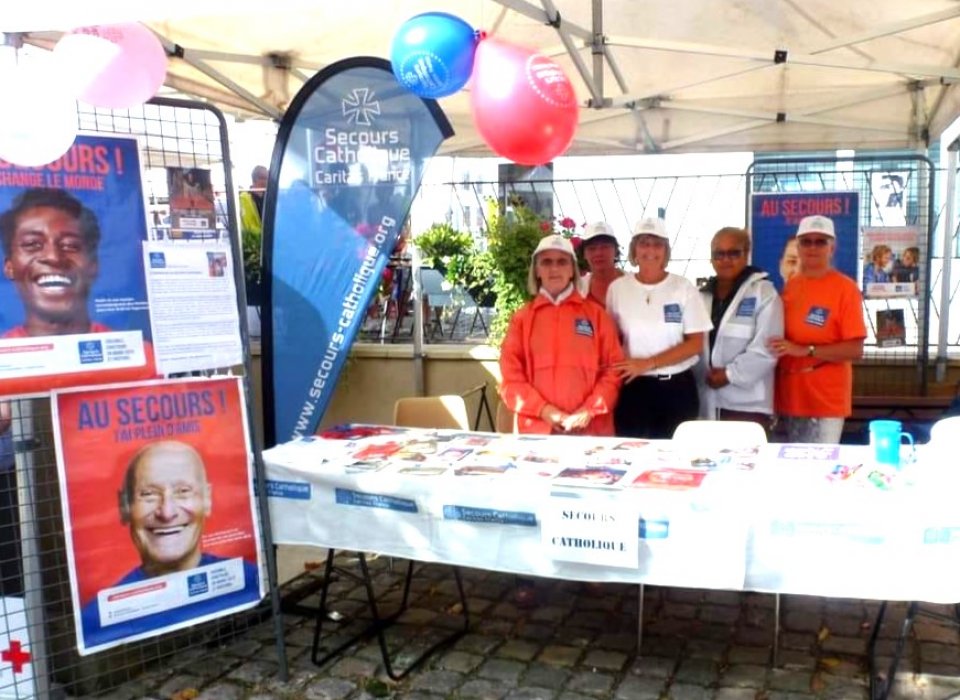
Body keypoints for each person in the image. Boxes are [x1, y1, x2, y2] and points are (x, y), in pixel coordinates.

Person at [80, 441, 260, 647]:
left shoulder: (248, 579)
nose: (167, 512)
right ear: (125, 506)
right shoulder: (96, 618)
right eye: (148, 494)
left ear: (208, 499)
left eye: (183, 491)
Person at [500, 235, 624, 436]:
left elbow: (614, 370)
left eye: (562, 261)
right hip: (538, 431)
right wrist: (544, 411)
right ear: (537, 271)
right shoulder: (521, 319)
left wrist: (589, 411)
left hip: (591, 431)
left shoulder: (597, 316)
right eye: (546, 262)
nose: (554, 268)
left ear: (572, 270)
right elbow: (510, 378)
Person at [606, 218, 712, 438]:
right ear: (634, 249)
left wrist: (648, 363)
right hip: (633, 387)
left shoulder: (683, 288)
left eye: (657, 244)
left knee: (674, 459)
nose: (650, 250)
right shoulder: (618, 289)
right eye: (644, 243)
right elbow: (612, 339)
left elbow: (695, 344)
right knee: (631, 453)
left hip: (676, 389)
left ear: (666, 251)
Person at [768, 215, 866, 444]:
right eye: (806, 241)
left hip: (825, 401)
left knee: (821, 468)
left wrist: (807, 350)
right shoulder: (790, 287)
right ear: (798, 246)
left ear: (832, 247)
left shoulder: (846, 289)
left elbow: (855, 350)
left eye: (820, 241)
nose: (813, 247)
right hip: (791, 397)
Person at [696, 227, 783, 433]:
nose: (726, 260)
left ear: (747, 254)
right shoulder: (701, 296)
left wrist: (728, 375)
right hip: (706, 401)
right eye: (719, 254)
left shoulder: (764, 293)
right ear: (711, 258)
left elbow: (768, 348)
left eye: (734, 253)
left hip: (746, 405)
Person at [580, 221, 624, 306]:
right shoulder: (577, 288)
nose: (598, 253)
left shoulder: (636, 283)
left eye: (605, 247)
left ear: (616, 251)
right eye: (592, 248)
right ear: (584, 254)